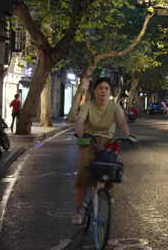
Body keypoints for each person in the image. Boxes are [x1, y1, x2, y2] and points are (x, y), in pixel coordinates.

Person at [72, 77, 135, 225]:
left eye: (106, 89)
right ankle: (79, 210)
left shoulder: (115, 107)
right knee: (83, 176)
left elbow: (122, 122)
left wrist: (128, 135)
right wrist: (81, 134)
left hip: (108, 142)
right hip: (88, 141)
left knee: (111, 170)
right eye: (100, 88)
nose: (103, 91)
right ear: (94, 91)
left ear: (110, 92)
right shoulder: (87, 106)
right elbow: (80, 121)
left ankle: (106, 194)